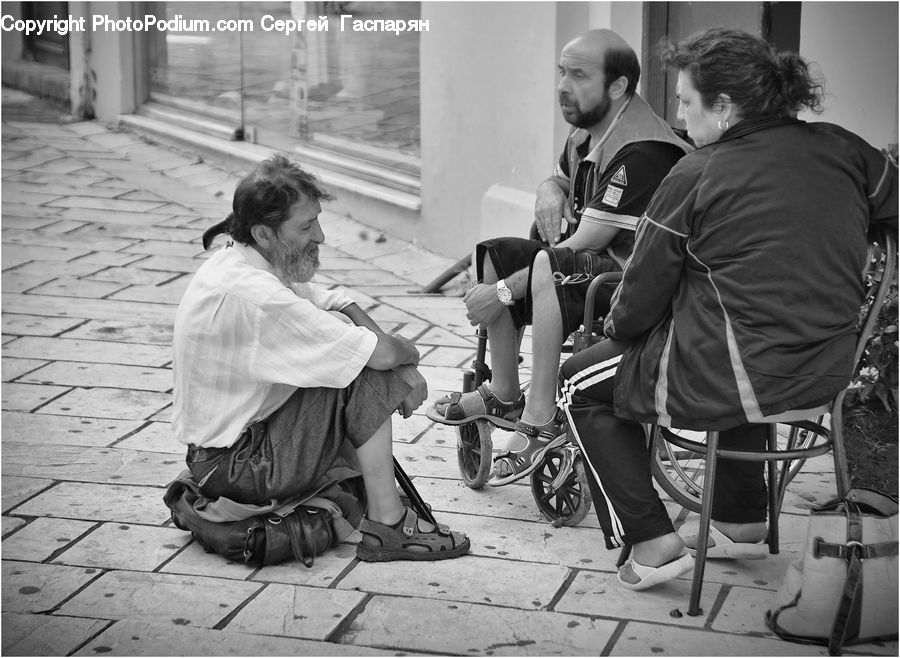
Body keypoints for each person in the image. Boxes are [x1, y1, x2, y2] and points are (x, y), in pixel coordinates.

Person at [559, 27, 898, 590]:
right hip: (825, 368)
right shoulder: (848, 150)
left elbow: (638, 300)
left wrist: (613, 331)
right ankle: (740, 525)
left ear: (724, 106)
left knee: (578, 384)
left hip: (740, 374)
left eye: (687, 101)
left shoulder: (695, 172)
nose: (676, 111)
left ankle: (651, 541)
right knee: (732, 337)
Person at [173, 155, 470, 562]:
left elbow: (332, 299)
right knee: (364, 372)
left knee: (356, 350)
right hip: (238, 465)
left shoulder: (242, 260)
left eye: (317, 219)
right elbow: (377, 355)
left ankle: (378, 499)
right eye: (306, 226)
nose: (322, 236)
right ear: (263, 232)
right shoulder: (257, 296)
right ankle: (388, 525)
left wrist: (387, 351)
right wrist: (406, 356)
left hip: (221, 456)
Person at [432, 29, 691, 486]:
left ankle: (541, 415)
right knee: (497, 250)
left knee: (543, 266)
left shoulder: (644, 149)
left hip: (632, 287)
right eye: (561, 72)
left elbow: (587, 241)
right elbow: (559, 180)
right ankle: (506, 394)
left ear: (617, 87)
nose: (562, 85)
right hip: (593, 273)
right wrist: (547, 189)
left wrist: (501, 291)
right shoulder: (587, 133)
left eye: (578, 74)